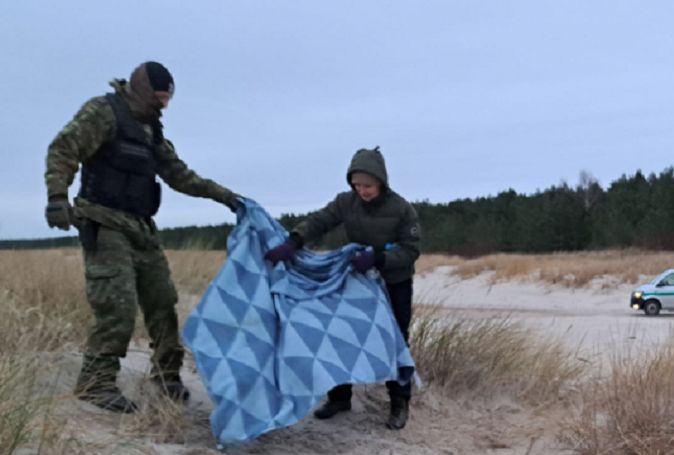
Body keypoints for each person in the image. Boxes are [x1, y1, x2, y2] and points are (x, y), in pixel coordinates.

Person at [45, 61, 241, 413]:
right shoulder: (103, 112)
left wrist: (226, 197)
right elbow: (63, 149)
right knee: (117, 305)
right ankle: (96, 382)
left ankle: (166, 377)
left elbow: (179, 174)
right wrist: (57, 198)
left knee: (163, 302)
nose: (163, 106)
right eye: (159, 98)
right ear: (142, 89)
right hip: (103, 223)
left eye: (167, 100)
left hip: (141, 227)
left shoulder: (152, 130)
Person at [265, 147, 421, 430]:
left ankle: (399, 403)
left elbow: (411, 250)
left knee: (395, 338)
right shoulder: (345, 202)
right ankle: (339, 397)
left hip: (394, 280)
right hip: (358, 278)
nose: (362, 191)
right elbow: (319, 221)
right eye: (357, 185)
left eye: (368, 186)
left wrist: (380, 258)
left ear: (381, 182)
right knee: (341, 333)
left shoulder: (401, 209)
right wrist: (294, 241)